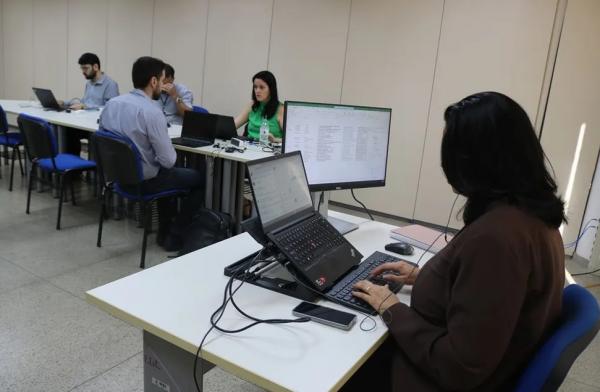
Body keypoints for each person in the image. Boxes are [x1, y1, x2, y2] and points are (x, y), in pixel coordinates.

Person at [345, 92, 566, 391]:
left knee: (339, 357)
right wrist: (425, 278)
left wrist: (391, 306)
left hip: (435, 381)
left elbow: (459, 367)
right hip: (492, 370)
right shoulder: (532, 215)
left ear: (475, 160)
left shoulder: (497, 239)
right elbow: (488, 298)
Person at [99, 56, 204, 250]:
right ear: (154, 81)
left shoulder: (112, 104)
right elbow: (169, 160)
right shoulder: (152, 112)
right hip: (145, 183)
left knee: (165, 173)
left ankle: (165, 230)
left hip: (117, 179)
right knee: (197, 180)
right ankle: (174, 233)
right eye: (163, 79)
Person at [63, 52, 119, 156]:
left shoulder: (110, 84)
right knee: (66, 131)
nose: (83, 72)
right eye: (82, 69)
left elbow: (111, 109)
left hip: (97, 127)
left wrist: (85, 106)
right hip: (85, 122)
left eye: (85, 68)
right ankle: (72, 168)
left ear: (96, 67)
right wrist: (64, 103)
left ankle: (75, 168)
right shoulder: (89, 83)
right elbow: (84, 102)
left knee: (70, 133)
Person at [234, 70, 284, 143]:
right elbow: (232, 126)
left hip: (270, 150)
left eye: (262, 87)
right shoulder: (252, 105)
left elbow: (290, 141)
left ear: (271, 89)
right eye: (255, 87)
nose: (257, 91)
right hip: (248, 149)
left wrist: (275, 140)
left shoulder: (281, 109)